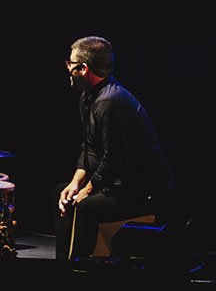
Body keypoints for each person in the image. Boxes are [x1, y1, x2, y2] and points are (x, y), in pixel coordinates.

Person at [54, 36, 174, 260]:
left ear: (83, 68)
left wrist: (87, 190)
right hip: (119, 182)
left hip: (145, 190)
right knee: (61, 194)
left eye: (70, 64)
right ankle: (63, 266)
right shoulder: (88, 96)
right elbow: (90, 147)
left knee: (86, 207)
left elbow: (114, 159)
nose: (67, 68)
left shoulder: (109, 101)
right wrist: (74, 184)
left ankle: (80, 272)